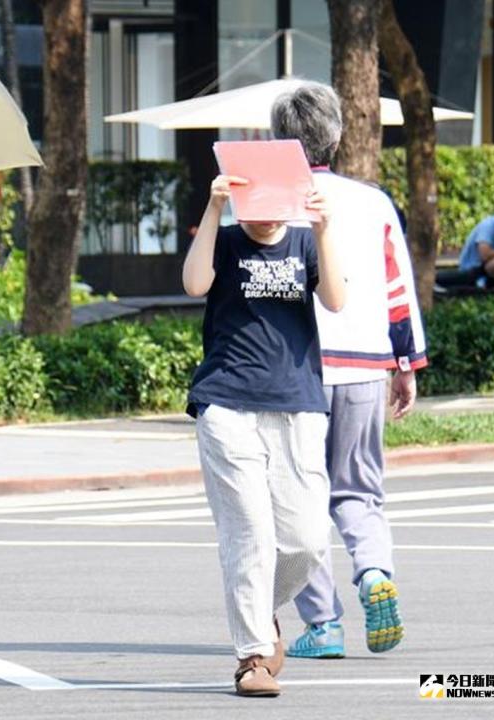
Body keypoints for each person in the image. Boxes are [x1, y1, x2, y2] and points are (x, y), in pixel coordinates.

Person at [270, 83, 428, 660]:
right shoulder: (374, 202)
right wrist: (405, 364)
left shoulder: (270, 201)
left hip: (296, 370)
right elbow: (398, 289)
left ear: (278, 139)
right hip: (366, 363)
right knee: (359, 492)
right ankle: (374, 573)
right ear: (336, 135)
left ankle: (324, 624)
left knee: (299, 502)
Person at [183, 170, 346, 697]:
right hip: (227, 404)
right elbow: (193, 284)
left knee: (307, 540)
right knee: (250, 533)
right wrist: (213, 208)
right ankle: (252, 656)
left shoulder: (303, 239)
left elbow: (338, 300)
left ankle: (259, 610)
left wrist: (323, 227)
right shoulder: (227, 241)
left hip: (297, 404)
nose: (266, 210)